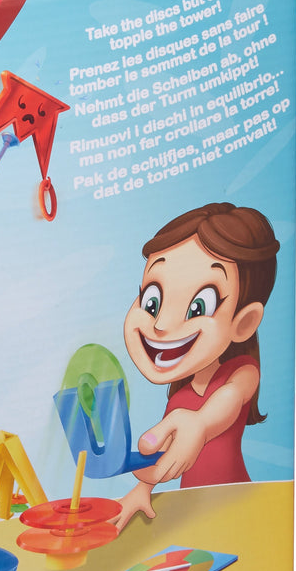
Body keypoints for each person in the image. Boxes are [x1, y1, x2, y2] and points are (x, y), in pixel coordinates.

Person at [115, 202, 280, 531]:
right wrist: (142, 485)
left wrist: (200, 424)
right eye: (152, 300)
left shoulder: (241, 372)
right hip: (191, 513)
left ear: (244, 322)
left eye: (198, 306)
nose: (161, 324)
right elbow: (163, 455)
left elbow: (229, 399)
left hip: (234, 504)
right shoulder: (179, 400)